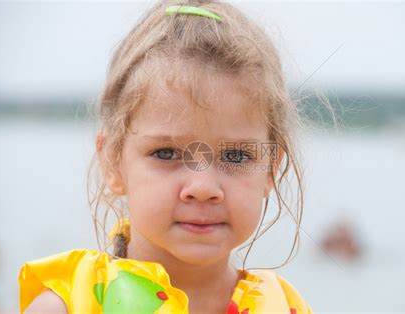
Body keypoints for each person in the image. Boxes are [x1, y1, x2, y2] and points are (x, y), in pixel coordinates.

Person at [18, 1, 313, 313]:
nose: (203, 187)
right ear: (113, 161)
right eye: (167, 153)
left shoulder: (284, 306)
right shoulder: (69, 305)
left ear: (269, 170)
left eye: (237, 156)